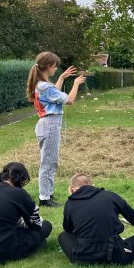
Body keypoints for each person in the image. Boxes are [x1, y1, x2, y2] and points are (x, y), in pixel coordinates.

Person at [58, 174, 134, 264]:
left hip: (83, 257)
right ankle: (120, 247)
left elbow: (68, 229)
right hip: (115, 255)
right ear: (93, 186)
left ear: (72, 190)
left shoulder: (70, 203)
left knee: (63, 236)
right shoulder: (110, 196)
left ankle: (88, 253)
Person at [26, 51, 87, 207]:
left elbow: (55, 95)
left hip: (46, 125)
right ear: (48, 66)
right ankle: (45, 198)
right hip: (50, 125)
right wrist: (75, 84)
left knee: (50, 162)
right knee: (48, 163)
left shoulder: (41, 85)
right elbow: (69, 100)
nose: (56, 69)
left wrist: (61, 78)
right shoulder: (45, 86)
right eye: (55, 66)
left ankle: (47, 195)